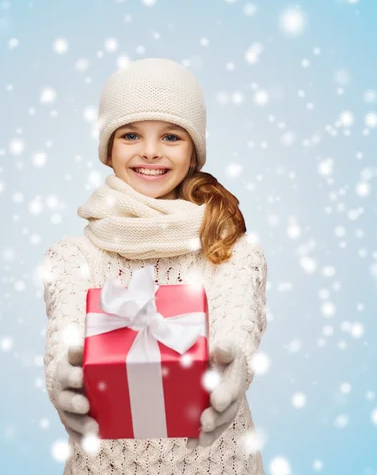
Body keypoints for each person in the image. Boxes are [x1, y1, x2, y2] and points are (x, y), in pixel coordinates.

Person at [41, 58, 268, 474]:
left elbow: (239, 323)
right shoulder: (73, 257)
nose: (150, 151)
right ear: (108, 149)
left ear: (193, 151)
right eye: (130, 134)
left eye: (170, 136)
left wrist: (236, 362)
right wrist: (61, 375)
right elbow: (66, 336)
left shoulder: (230, 250)